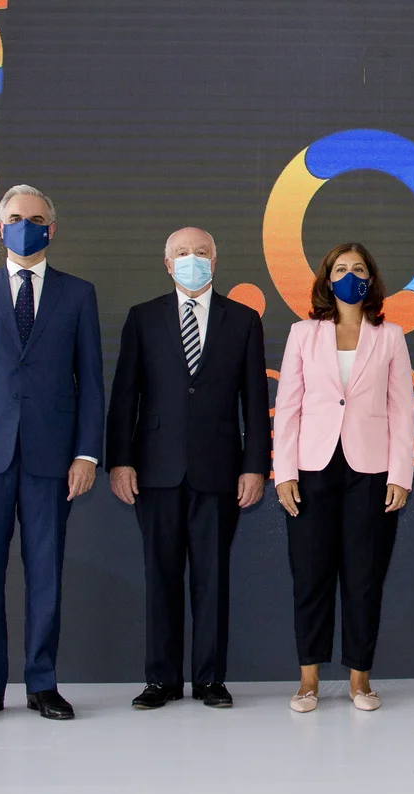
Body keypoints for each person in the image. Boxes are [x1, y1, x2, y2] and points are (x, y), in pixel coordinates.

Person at [0, 185, 104, 724]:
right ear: (0, 226)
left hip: (52, 459)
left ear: (50, 229)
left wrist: (87, 455)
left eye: (34, 219)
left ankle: (42, 683)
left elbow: (91, 383)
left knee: (46, 573)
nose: (24, 226)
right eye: (14, 217)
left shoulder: (78, 294)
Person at [106, 227, 270, 710]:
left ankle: (209, 679)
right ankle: (161, 679)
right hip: (154, 470)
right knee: (160, 576)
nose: (191, 259)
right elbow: (124, 396)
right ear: (167, 263)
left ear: (214, 262)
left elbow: (255, 400)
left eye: (200, 252)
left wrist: (255, 466)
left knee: (212, 577)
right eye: (181, 253)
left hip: (220, 470)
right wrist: (120, 460)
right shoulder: (142, 318)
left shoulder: (244, 320)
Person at [272, 242, 414, 713]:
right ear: (326, 278)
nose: (349, 275)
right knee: (310, 575)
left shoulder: (390, 336)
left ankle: (360, 680)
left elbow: (402, 409)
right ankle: (308, 681)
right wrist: (283, 472)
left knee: (364, 577)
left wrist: (401, 474)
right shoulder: (302, 334)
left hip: (370, 471)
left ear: (370, 279)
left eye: (358, 269)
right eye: (340, 269)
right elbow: (288, 405)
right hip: (311, 469)